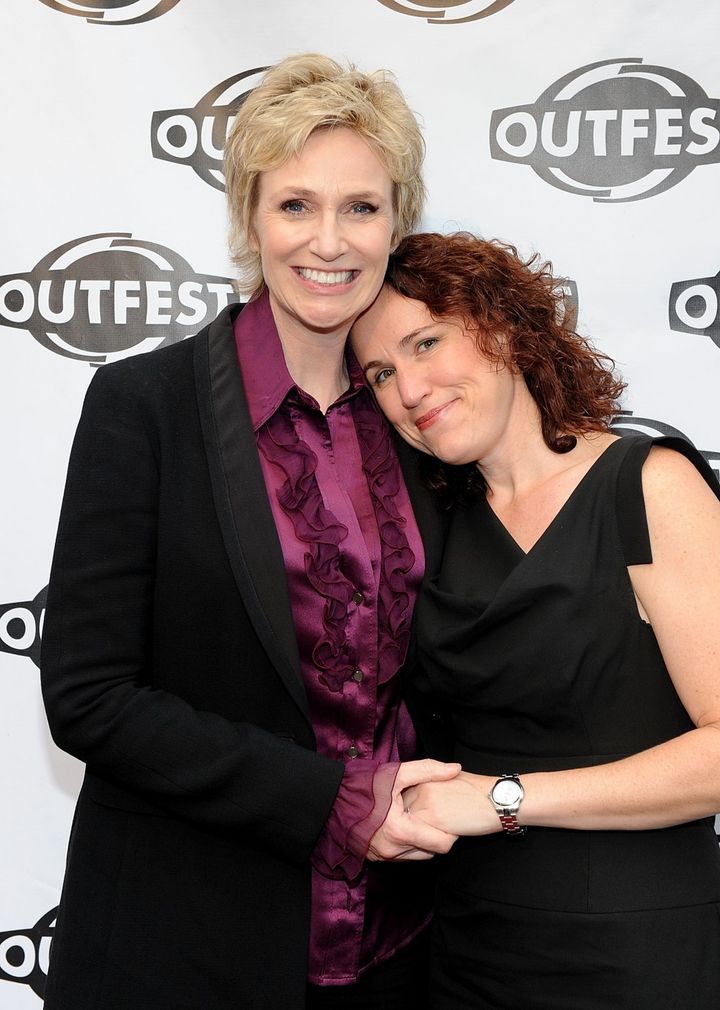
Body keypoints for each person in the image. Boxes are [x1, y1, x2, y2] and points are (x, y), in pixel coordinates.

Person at [40, 56, 461, 1010]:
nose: (330, 240)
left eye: (362, 207)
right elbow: (88, 696)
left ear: (396, 222)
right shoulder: (144, 406)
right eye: (295, 205)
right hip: (187, 942)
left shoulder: (421, 418)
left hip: (399, 947)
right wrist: (328, 801)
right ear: (249, 217)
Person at [351, 231, 720, 1009]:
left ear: (504, 328)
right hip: (467, 946)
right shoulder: (428, 529)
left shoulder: (645, 486)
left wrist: (503, 799)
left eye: (426, 343)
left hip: (634, 951)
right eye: (381, 373)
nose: (409, 389)